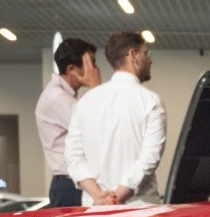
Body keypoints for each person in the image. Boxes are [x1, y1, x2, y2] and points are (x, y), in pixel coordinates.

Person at [64, 30, 165, 207]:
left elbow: (73, 157)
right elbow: (149, 159)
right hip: (139, 210)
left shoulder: (85, 102)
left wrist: (101, 198)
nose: (150, 60)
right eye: (146, 53)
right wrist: (116, 197)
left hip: (95, 209)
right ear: (133, 55)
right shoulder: (151, 101)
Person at [35, 37, 100, 208]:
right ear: (72, 68)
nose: (95, 69)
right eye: (90, 63)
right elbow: (96, 128)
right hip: (69, 184)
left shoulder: (63, 96)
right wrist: (96, 88)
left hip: (71, 183)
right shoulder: (58, 98)